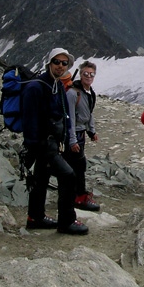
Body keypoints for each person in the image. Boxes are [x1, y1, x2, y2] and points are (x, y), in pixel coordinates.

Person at [21, 48, 88, 235]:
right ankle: (66, 222)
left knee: (40, 179)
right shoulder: (36, 87)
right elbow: (29, 119)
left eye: (64, 63)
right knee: (68, 176)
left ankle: (35, 218)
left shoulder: (57, 85)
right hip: (43, 144)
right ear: (49, 63)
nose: (60, 66)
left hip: (51, 143)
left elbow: (63, 116)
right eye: (56, 62)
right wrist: (34, 144)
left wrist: (65, 139)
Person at [63, 61, 100, 211]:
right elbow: (69, 118)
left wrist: (92, 131)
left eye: (91, 74)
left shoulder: (89, 93)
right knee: (77, 166)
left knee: (78, 165)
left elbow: (89, 113)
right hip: (74, 135)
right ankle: (78, 197)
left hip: (81, 134)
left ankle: (75, 195)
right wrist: (72, 140)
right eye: (85, 73)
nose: (88, 76)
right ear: (80, 74)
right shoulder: (73, 93)